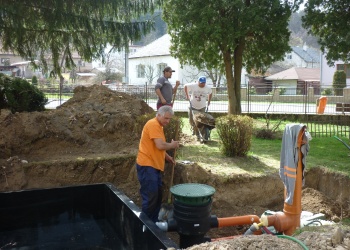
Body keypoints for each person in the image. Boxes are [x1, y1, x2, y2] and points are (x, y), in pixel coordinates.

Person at [135, 105, 180, 223]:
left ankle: (153, 223)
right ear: (158, 114)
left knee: (157, 197)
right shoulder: (153, 124)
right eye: (166, 118)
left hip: (154, 166)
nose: (168, 121)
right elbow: (160, 145)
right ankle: (145, 225)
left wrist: (168, 157)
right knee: (151, 197)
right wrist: (172, 145)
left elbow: (157, 147)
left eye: (169, 119)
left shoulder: (158, 126)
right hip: (147, 166)